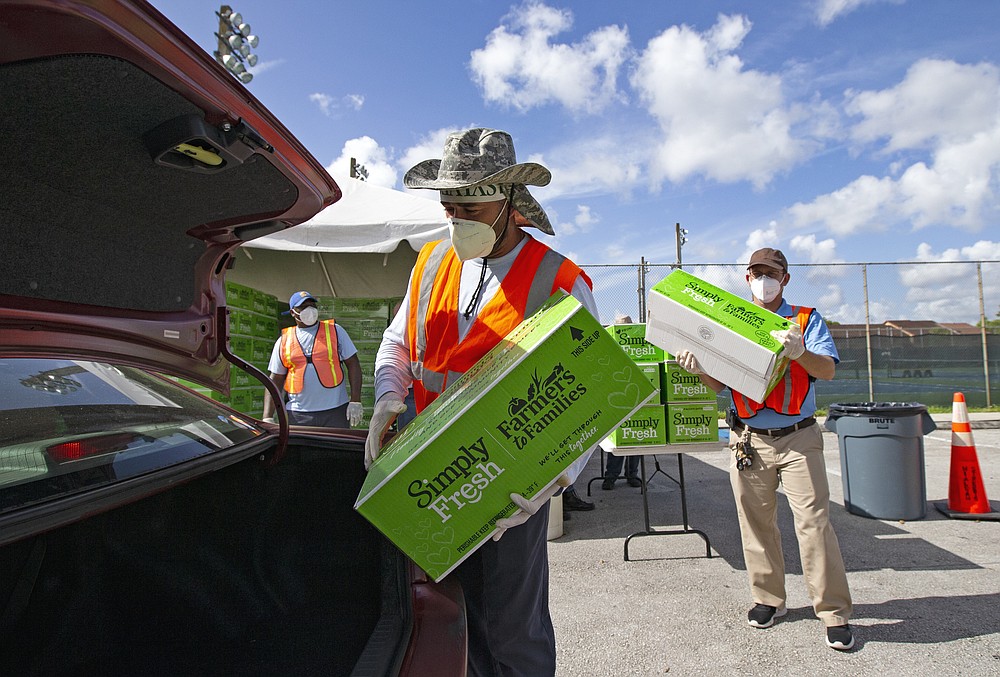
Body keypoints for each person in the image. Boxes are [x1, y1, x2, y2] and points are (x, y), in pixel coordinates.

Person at [365, 128, 599, 676]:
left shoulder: (558, 280)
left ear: (512, 205)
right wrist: (384, 399)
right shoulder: (430, 264)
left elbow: (588, 399)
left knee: (513, 636)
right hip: (435, 480)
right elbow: (398, 345)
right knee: (447, 624)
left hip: (509, 496)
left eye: (470, 205)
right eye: (449, 206)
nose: (457, 218)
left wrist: (551, 484)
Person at [675, 248, 854, 652]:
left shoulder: (807, 319)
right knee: (755, 524)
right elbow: (719, 385)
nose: (763, 279)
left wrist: (800, 352)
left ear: (786, 278)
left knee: (814, 524)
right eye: (756, 272)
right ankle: (768, 599)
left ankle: (833, 612)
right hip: (749, 440)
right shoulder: (732, 321)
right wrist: (698, 368)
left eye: (771, 273)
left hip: (798, 438)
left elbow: (826, 369)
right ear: (747, 278)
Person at [262, 291, 364, 428]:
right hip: (298, 414)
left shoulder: (335, 331)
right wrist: (267, 416)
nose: (309, 310)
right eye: (303, 307)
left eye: (312, 305)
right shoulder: (284, 341)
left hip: (335, 410)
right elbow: (275, 379)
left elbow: (353, 364)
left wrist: (355, 400)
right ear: (293, 312)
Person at [603, 313, 643, 490]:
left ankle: (632, 475)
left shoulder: (639, 348)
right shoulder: (610, 347)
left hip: (636, 399)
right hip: (616, 402)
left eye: (626, 327)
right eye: (620, 327)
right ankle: (611, 477)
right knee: (618, 441)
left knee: (635, 440)